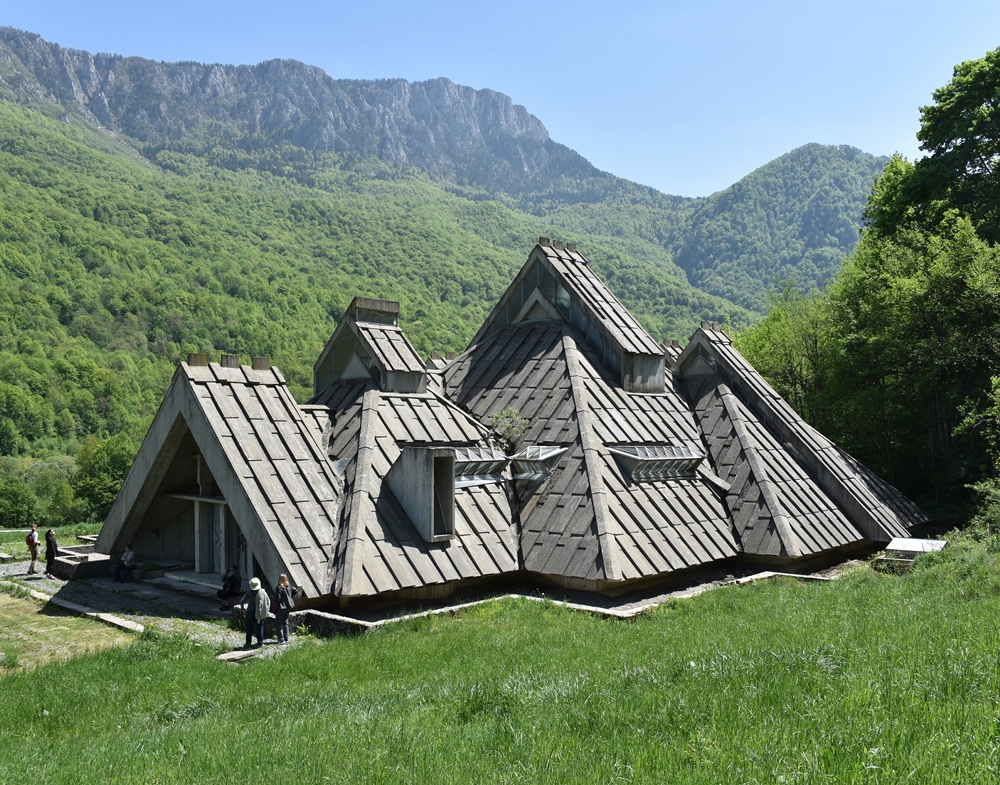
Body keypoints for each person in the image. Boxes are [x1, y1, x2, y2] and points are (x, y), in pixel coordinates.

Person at [239, 577, 269, 649]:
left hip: (250, 612)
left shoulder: (249, 593)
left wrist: (243, 608)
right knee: (260, 627)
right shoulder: (263, 592)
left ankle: (248, 643)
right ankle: (260, 643)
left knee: (249, 628)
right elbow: (268, 601)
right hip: (260, 612)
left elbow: (242, 602)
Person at [272, 573, 298, 645]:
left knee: (278, 623)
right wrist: (290, 597)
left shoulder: (279, 587)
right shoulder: (289, 586)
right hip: (288, 606)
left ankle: (281, 639)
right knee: (285, 622)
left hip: (281, 607)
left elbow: (278, 598)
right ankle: (286, 638)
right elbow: (295, 590)